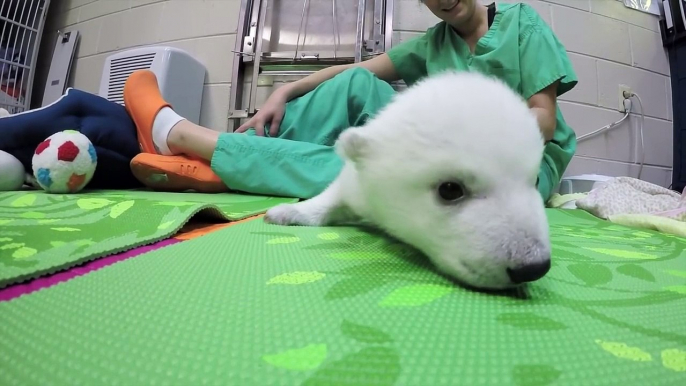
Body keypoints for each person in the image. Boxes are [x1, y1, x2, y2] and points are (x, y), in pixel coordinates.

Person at [126, 0, 577, 202]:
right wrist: (283, 90)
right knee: (357, 86)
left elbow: (541, 119)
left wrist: (469, 136)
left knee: (384, 169)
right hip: (446, 144)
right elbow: (354, 73)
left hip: (518, 164)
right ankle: (223, 161)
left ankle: (189, 141)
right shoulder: (434, 43)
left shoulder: (522, 23)